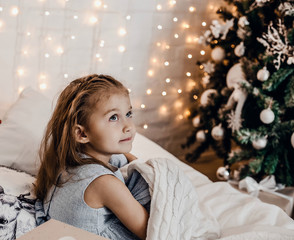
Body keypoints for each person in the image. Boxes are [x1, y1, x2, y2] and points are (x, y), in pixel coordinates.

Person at [34, 74, 150, 239]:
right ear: (81, 133)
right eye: (113, 117)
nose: (128, 127)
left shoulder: (66, 163)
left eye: (129, 114)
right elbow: (152, 231)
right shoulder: (104, 184)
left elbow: (125, 157)